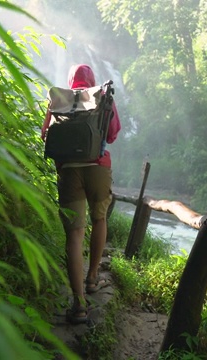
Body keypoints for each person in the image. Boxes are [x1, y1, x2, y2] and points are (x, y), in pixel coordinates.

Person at [41, 64, 122, 324]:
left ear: (70, 80)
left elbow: (46, 135)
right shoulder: (101, 96)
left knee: (74, 236)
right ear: (92, 79)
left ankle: (78, 305)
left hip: (68, 172)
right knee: (99, 220)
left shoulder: (59, 101)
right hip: (98, 169)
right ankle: (92, 278)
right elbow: (112, 133)